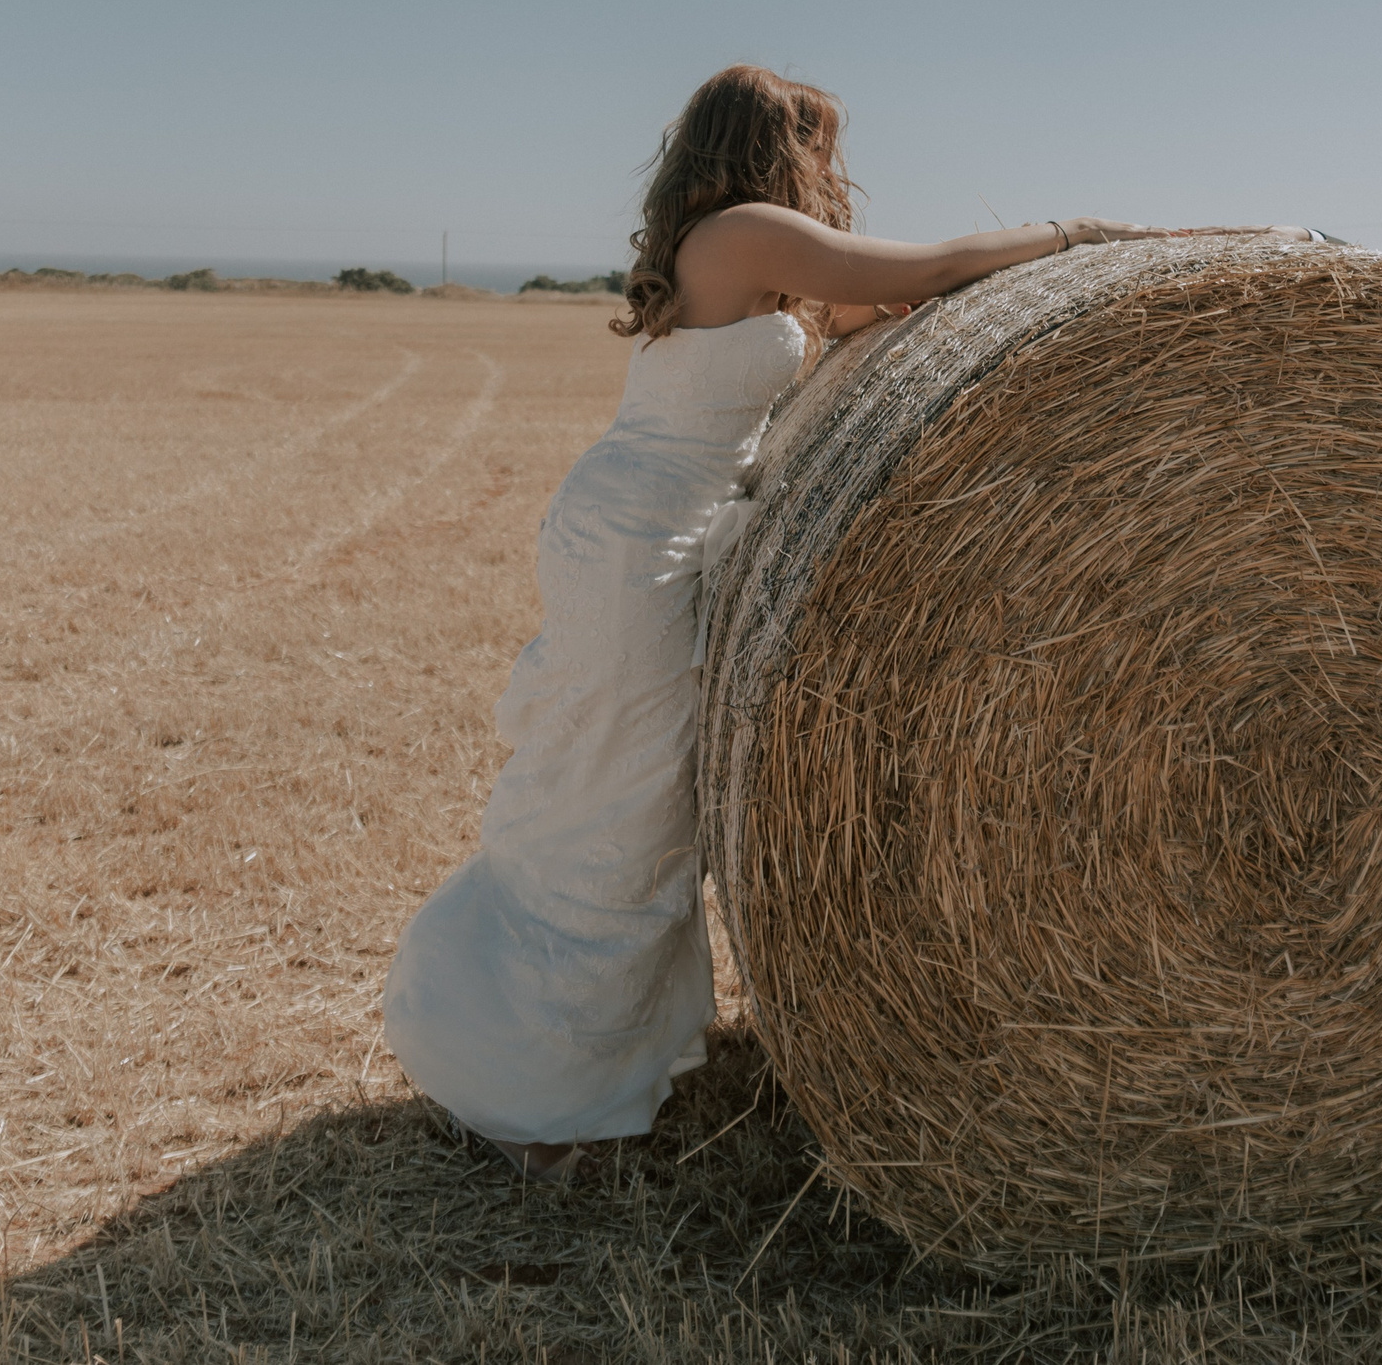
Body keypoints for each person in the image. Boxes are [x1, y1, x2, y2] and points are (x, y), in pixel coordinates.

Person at [383, 64, 1286, 1180]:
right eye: (819, 144)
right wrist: (1073, 232)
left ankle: (559, 1063)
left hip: (637, 531)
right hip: (638, 546)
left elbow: (877, 307)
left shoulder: (741, 255)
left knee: (626, 787)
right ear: (774, 143)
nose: (829, 168)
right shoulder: (746, 230)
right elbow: (933, 266)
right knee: (616, 795)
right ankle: (531, 1088)